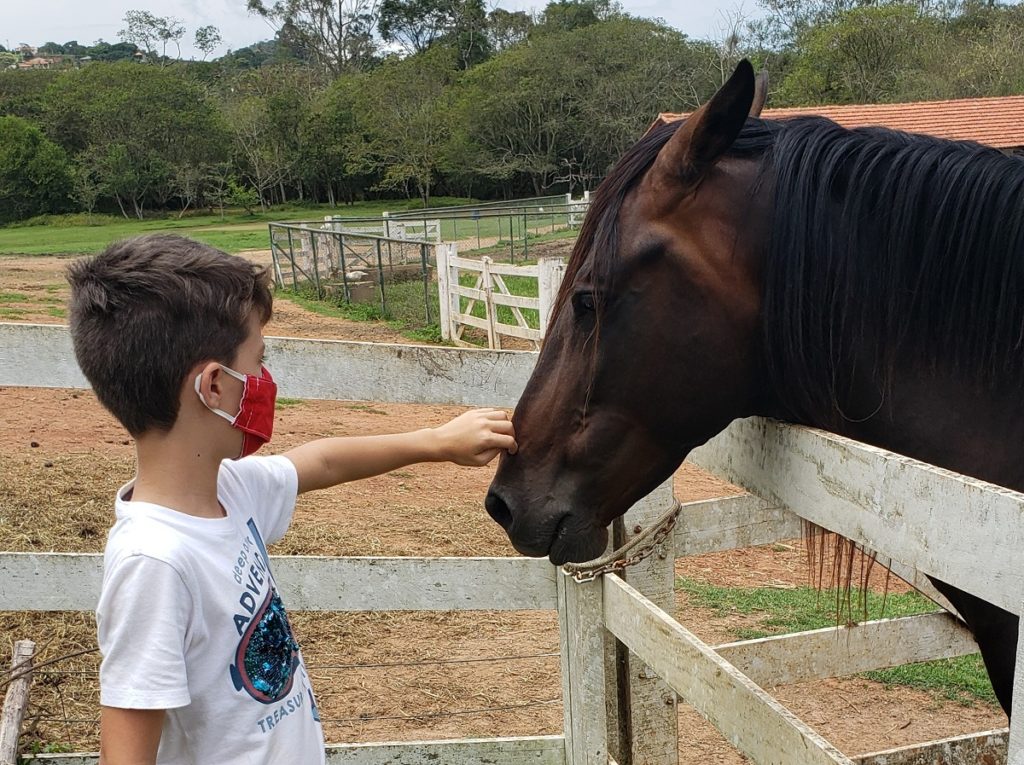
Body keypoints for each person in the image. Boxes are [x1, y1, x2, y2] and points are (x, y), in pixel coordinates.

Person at [66, 234, 517, 765]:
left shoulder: (228, 490)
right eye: (257, 360)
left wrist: (436, 442)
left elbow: (321, 462)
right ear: (213, 386)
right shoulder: (155, 564)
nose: (264, 380)